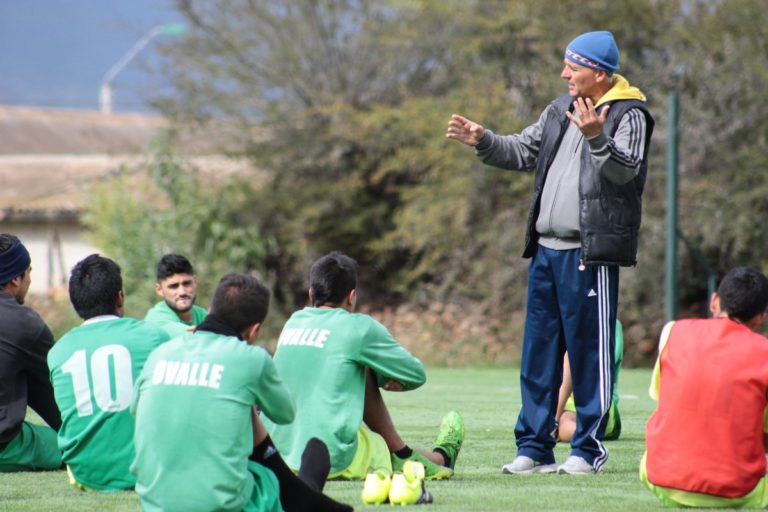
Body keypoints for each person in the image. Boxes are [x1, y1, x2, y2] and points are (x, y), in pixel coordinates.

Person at [446, 30, 654, 475]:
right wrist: (483, 139)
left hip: (589, 255)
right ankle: (535, 446)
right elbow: (522, 150)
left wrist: (597, 137)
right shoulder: (559, 110)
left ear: (598, 73)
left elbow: (627, 175)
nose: (564, 73)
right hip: (545, 251)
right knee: (538, 353)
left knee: (588, 355)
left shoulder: (630, 114)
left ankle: (587, 450)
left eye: (572, 67)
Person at [131, 272, 352, 512]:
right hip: (221, 505)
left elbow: (135, 409)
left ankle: (306, 497)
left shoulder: (160, 354)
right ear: (254, 330)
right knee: (273, 472)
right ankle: (307, 498)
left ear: (209, 308)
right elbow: (285, 414)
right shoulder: (250, 358)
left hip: (154, 501)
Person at [263, 251, 464, 482]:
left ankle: (425, 456)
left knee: (358, 369)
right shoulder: (357, 327)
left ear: (311, 294)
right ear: (352, 296)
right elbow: (416, 374)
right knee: (382, 446)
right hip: (330, 458)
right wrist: (383, 376)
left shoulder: (293, 322)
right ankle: (440, 457)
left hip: (278, 455)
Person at [641, 266, 768, 508]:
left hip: (663, 479)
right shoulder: (764, 351)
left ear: (714, 301)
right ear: (760, 317)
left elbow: (662, 398)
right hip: (738, 490)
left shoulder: (672, 331)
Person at [47, 254, 170, 491]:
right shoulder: (154, 336)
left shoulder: (57, 352)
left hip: (85, 473)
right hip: (149, 471)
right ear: (120, 297)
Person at [0, 234, 62, 472]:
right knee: (76, 446)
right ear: (16, 279)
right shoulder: (24, 322)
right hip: (6, 447)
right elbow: (54, 387)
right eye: (29, 273)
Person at [556, 320, 624, 443]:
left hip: (596, 405)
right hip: (568, 402)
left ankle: (585, 436)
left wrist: (553, 421)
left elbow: (573, 378)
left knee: (564, 421)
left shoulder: (603, 323)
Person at [144, 254, 207, 337]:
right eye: (174, 286)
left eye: (187, 283)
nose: (182, 292)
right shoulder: (157, 319)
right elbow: (194, 337)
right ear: (159, 290)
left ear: (195, 282)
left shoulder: (202, 314)